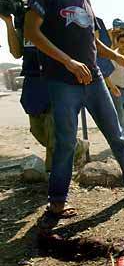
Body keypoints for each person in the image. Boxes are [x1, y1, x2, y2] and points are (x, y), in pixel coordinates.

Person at [24, 0, 124, 218]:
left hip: (95, 79)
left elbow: (92, 40)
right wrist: (68, 62)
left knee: (117, 135)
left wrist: (116, 56)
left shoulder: (85, 0)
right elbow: (31, 33)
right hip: (62, 81)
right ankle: (57, 201)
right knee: (65, 143)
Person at [0, 10, 87, 172]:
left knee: (54, 135)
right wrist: (8, 23)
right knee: (37, 130)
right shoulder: (24, 21)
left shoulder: (57, 14)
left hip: (57, 77)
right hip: (33, 81)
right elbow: (16, 52)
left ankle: (54, 182)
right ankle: (77, 145)